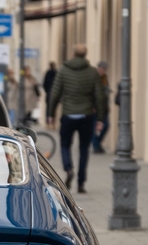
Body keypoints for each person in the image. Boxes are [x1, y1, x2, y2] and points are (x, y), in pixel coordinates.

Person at [47, 44, 106, 193]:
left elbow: (54, 94)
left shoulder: (64, 70)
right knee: (84, 149)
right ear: (85, 55)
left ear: (73, 54)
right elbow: (100, 97)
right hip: (86, 115)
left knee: (65, 145)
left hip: (68, 115)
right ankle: (81, 183)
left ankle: (68, 168)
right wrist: (100, 118)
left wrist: (51, 114)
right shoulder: (92, 72)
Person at [92, 61, 111, 154]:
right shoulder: (94, 77)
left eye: (105, 69)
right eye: (102, 69)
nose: (103, 71)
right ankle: (96, 145)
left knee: (106, 126)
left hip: (104, 107)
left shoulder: (105, 78)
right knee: (96, 127)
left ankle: (98, 143)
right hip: (96, 108)